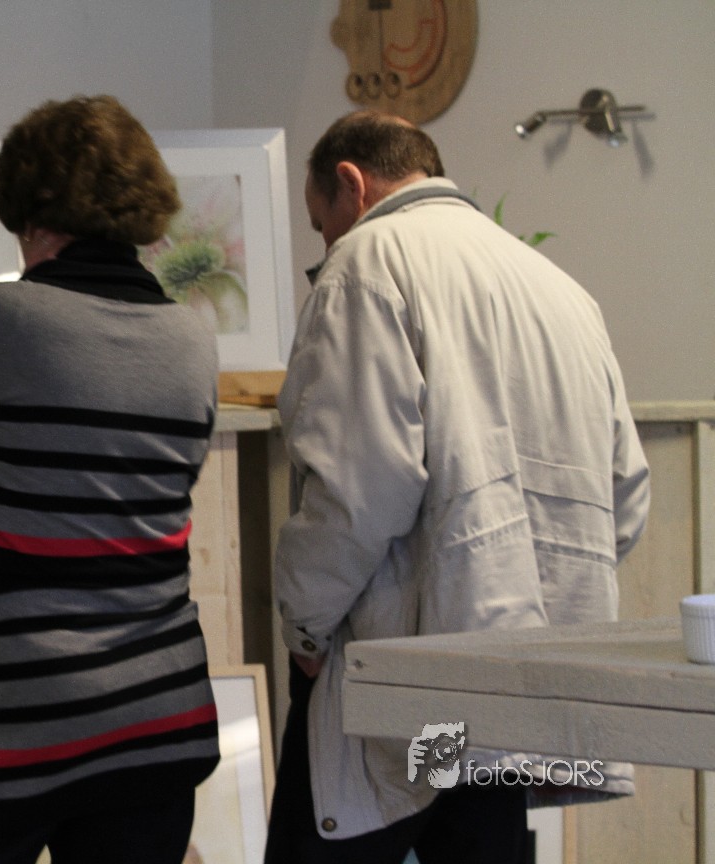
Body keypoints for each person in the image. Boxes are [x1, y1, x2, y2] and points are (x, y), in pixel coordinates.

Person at [264, 110, 651, 864]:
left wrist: (305, 624)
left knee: (342, 841)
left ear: (350, 182)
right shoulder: (559, 289)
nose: (326, 243)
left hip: (411, 680)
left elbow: (357, 491)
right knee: (477, 847)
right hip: (519, 684)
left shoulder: (368, 263)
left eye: (320, 224)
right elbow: (625, 498)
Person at [0, 94, 221, 864]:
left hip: (14, 718)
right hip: (156, 718)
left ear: (35, 215)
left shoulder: (0, 319)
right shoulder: (193, 338)